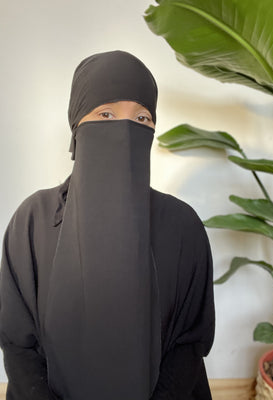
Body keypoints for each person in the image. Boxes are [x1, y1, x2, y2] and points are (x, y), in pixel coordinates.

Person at [0, 50, 215, 400]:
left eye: (143, 118)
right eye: (106, 113)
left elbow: (190, 341)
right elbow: (17, 342)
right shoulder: (33, 220)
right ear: (77, 126)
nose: (126, 130)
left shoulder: (182, 225)